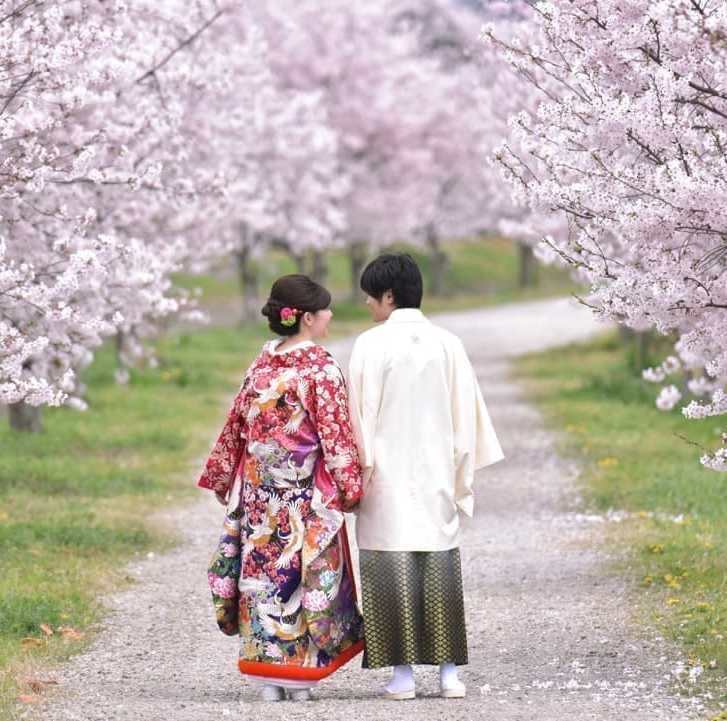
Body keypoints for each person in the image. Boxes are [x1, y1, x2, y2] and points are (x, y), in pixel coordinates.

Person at [197, 274, 365, 702]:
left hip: (258, 492)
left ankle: (267, 677)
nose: (330, 316)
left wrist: (222, 474)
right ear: (307, 317)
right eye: (324, 310)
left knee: (261, 576)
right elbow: (335, 434)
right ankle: (298, 676)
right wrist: (350, 486)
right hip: (301, 493)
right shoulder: (320, 368)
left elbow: (236, 423)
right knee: (300, 574)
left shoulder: (263, 362)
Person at [347, 253, 504, 700]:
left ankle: (403, 676)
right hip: (437, 470)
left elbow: (359, 417)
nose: (366, 303)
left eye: (370, 295)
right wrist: (460, 472)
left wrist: (356, 474)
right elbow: (465, 415)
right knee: (438, 564)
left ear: (389, 296)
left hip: (386, 475)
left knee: (389, 564)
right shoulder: (448, 343)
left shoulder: (369, 345)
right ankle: (449, 675)